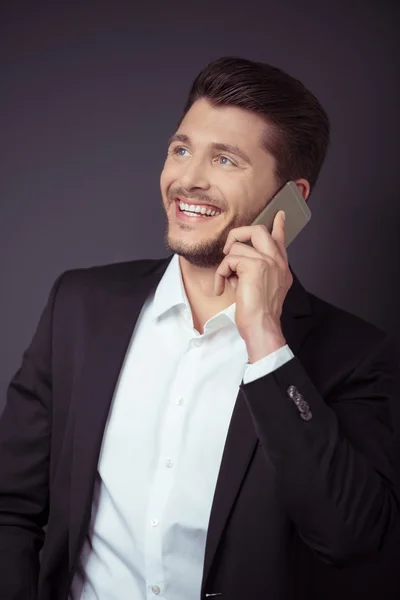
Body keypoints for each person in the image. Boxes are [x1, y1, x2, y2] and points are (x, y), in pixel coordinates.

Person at [0, 57, 398, 600]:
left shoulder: (354, 355)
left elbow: (351, 538)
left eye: (226, 160)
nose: (188, 178)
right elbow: (10, 506)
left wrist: (265, 338)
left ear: (291, 201)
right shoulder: (80, 307)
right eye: (181, 149)